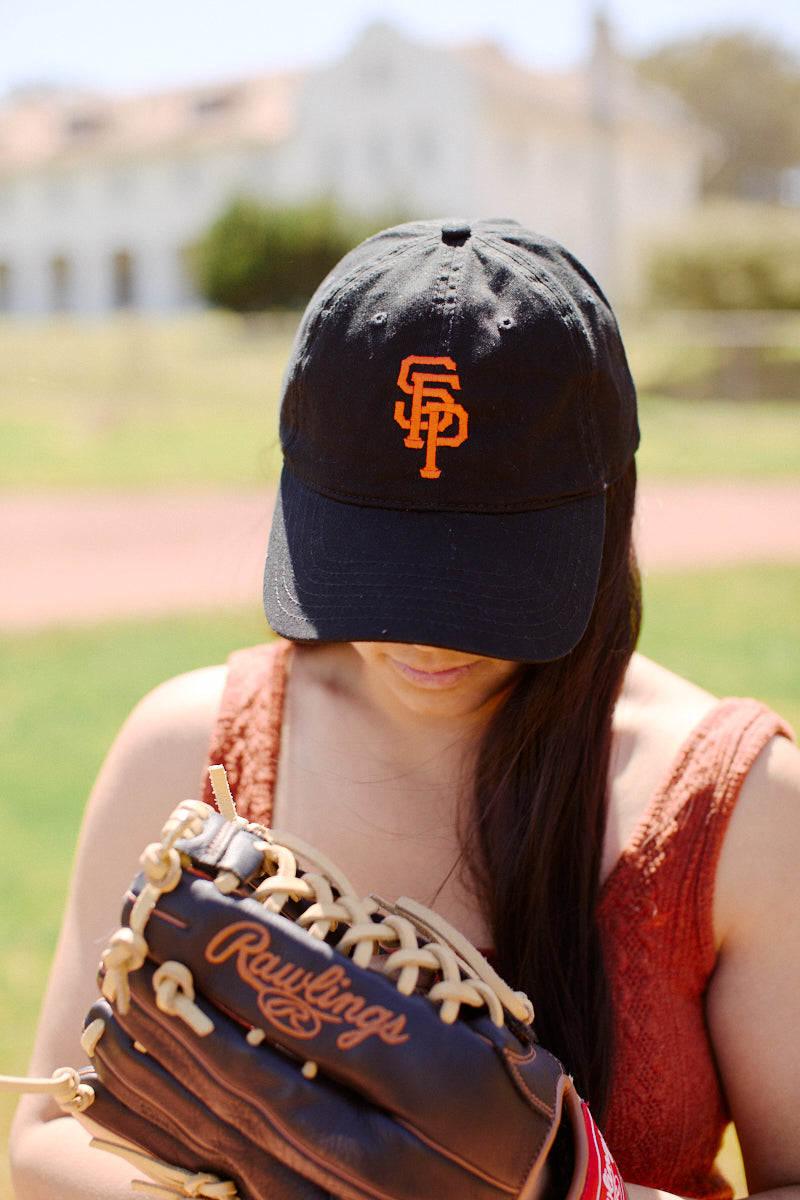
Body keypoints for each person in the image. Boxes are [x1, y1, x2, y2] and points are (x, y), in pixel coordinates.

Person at [9, 218, 800, 1200]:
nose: (426, 639)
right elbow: (46, 1136)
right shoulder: (184, 750)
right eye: (379, 567)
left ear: (605, 512)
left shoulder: (738, 808)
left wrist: (583, 1195)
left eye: (486, 579)